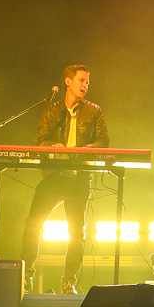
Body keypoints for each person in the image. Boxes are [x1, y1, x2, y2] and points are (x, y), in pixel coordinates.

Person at [20, 64, 108, 295]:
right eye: (81, 80)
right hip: (54, 176)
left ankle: (69, 281)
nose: (85, 85)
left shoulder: (94, 111)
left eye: (87, 82)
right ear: (68, 81)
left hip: (78, 179)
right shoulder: (52, 110)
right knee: (33, 224)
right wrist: (53, 146)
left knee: (77, 233)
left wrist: (84, 150)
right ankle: (26, 274)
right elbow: (40, 140)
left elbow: (103, 142)